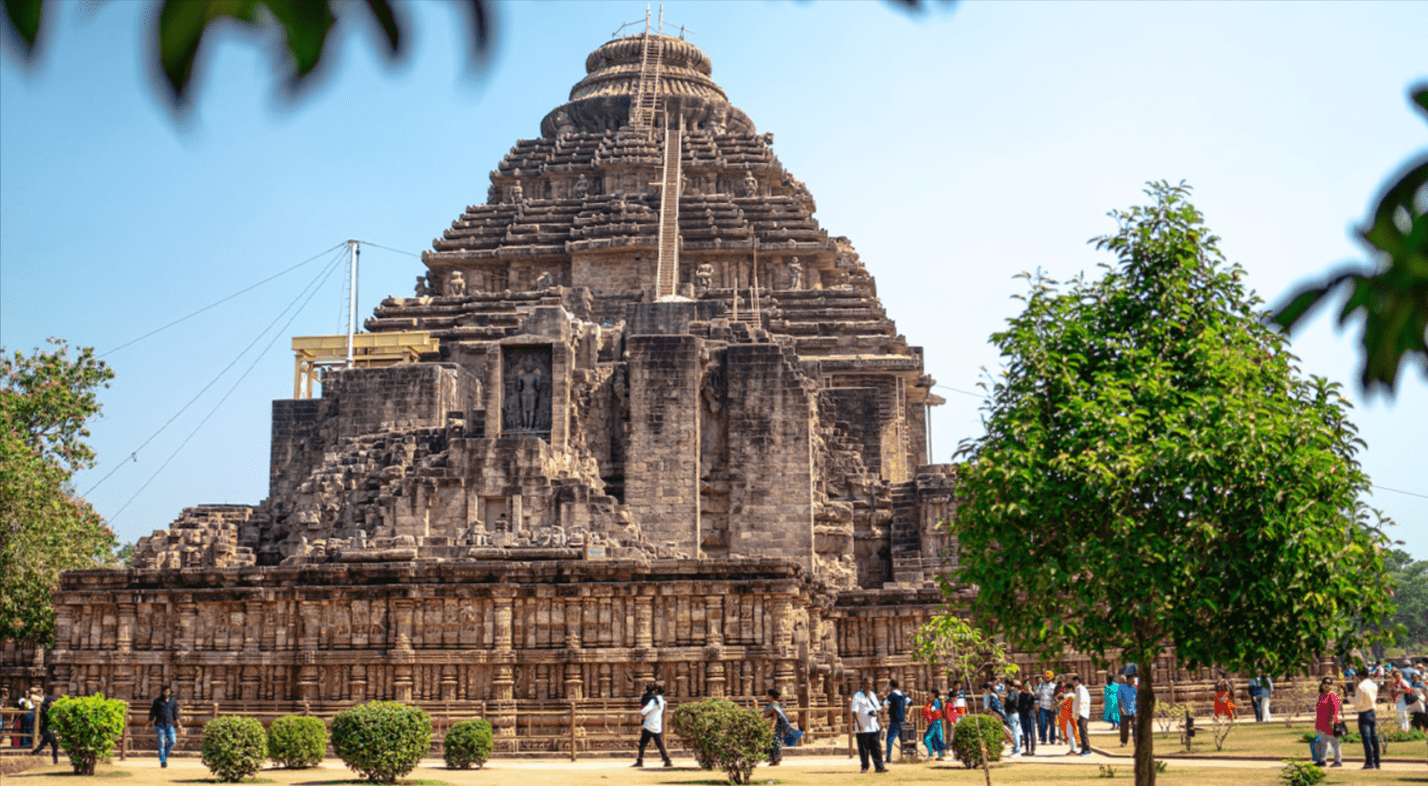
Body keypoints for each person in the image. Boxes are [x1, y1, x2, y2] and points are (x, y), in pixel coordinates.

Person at [850, 677, 887, 774]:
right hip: (863, 727)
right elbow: (855, 711)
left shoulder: (873, 695)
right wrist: (859, 723)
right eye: (867, 684)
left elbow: (877, 710)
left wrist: (881, 721)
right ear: (863, 684)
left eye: (870, 684)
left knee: (876, 747)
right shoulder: (857, 696)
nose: (869, 685)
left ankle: (879, 766)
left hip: (874, 726)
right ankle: (865, 766)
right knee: (863, 749)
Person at [1312, 676, 1343, 768]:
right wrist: (1316, 722)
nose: (1326, 685)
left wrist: (1332, 722)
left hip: (1330, 723)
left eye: (1329, 683)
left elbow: (1335, 710)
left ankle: (1338, 760)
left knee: (1334, 741)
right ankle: (1322, 760)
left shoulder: (1333, 696)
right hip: (1321, 722)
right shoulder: (1321, 696)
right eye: (1325, 683)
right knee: (1323, 742)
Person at [1353, 670, 1381, 769]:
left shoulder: (1361, 686)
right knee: (1374, 737)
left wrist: (1349, 698)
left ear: (1360, 675)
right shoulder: (1373, 685)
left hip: (1364, 712)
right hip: (1372, 711)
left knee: (1366, 738)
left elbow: (1358, 702)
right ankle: (1377, 761)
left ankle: (1369, 762)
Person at [148, 685, 181, 768]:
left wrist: (179, 724)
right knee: (161, 744)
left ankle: (164, 756)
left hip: (170, 724)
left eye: (168, 691)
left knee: (173, 741)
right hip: (160, 725)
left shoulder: (173, 701)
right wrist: (148, 723)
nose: (167, 693)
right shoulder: (157, 701)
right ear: (162, 692)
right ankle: (163, 761)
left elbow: (175, 713)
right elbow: (153, 713)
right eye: (165, 691)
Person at [31, 685, 62, 764]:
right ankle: (55, 761)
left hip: (49, 730)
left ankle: (33, 754)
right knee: (54, 745)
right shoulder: (44, 709)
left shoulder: (50, 709)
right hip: (46, 730)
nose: (54, 703)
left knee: (43, 745)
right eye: (53, 702)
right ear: (49, 702)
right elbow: (46, 717)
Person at [881, 679, 908, 762]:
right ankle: (906, 756)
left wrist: (884, 696)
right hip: (902, 720)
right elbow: (909, 702)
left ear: (891, 686)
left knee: (889, 739)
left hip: (894, 721)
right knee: (903, 739)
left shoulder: (892, 694)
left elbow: (884, 703)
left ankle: (888, 758)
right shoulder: (902, 694)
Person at [763, 688, 791, 766]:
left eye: (767, 694)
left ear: (770, 696)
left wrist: (772, 728)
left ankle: (777, 759)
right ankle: (772, 759)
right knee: (769, 743)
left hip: (774, 727)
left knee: (775, 742)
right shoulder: (770, 706)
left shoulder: (775, 706)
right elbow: (764, 716)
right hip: (768, 725)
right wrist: (770, 711)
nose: (766, 696)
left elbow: (775, 718)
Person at [921, 689, 946, 760]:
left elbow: (933, 711)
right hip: (937, 722)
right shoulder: (935, 702)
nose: (928, 694)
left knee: (927, 739)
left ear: (933, 694)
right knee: (937, 738)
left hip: (935, 722)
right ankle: (939, 755)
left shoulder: (935, 702)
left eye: (930, 693)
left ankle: (931, 754)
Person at [1071, 675, 1093, 757]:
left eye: (1073, 681)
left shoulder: (1080, 689)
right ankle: (1084, 749)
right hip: (1082, 713)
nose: (1072, 683)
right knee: (1082, 732)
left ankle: (1087, 750)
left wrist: (1077, 714)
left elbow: (1080, 702)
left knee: (1083, 733)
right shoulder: (1079, 689)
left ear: (1077, 681)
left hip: (1082, 713)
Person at [1035, 672, 1058, 744]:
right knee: (1042, 723)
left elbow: (1056, 696)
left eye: (1048, 677)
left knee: (1052, 724)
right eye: (1046, 677)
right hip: (1042, 707)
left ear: (1051, 678)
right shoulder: (1040, 686)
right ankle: (1043, 739)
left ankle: (1052, 739)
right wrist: (1036, 704)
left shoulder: (1054, 686)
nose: (1047, 678)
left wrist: (1054, 705)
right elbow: (1037, 695)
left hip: (1051, 707)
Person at [1016, 681, 1037, 756]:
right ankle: (1027, 749)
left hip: (1030, 715)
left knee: (1032, 733)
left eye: (1029, 685)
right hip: (1023, 716)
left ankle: (1032, 750)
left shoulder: (1032, 694)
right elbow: (1018, 705)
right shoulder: (1021, 694)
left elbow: (1036, 699)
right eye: (1026, 685)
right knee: (1025, 734)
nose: (1027, 686)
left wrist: (1031, 691)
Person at [1117, 674, 1138, 747]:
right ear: (1128, 679)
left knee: (1135, 725)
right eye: (1132, 679)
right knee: (1124, 727)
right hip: (1124, 710)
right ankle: (1123, 742)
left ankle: (1136, 741)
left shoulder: (1134, 688)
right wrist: (1121, 708)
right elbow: (1119, 698)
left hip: (1133, 710)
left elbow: (1137, 698)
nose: (1134, 681)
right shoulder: (1121, 687)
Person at [1057, 682, 1077, 754]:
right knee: (1069, 733)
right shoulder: (1073, 695)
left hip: (1068, 717)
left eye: (1066, 688)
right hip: (1069, 716)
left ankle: (1074, 749)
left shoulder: (1070, 696)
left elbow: (1060, 705)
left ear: (1071, 689)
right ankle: (1072, 749)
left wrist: (1057, 699)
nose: (1065, 690)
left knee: (1069, 733)